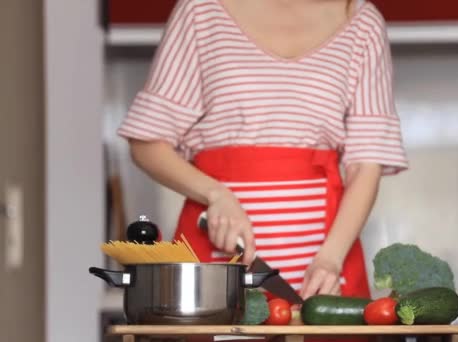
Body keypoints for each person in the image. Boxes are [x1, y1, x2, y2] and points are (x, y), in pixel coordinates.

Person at [118, 0, 407, 304]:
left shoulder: (361, 21)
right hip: (215, 263)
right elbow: (146, 144)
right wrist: (216, 195)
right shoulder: (201, 12)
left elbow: (366, 164)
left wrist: (330, 260)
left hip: (326, 263)